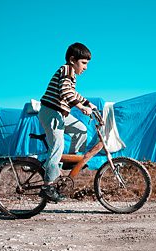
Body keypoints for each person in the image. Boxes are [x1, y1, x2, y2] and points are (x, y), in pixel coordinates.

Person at [38, 42, 96, 202]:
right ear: (72, 60)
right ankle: (47, 186)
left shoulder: (72, 75)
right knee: (57, 146)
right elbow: (65, 91)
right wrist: (80, 107)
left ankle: (70, 161)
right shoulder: (66, 69)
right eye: (83, 63)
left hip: (60, 113)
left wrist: (88, 103)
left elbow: (72, 92)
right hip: (50, 111)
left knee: (81, 129)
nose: (85, 67)